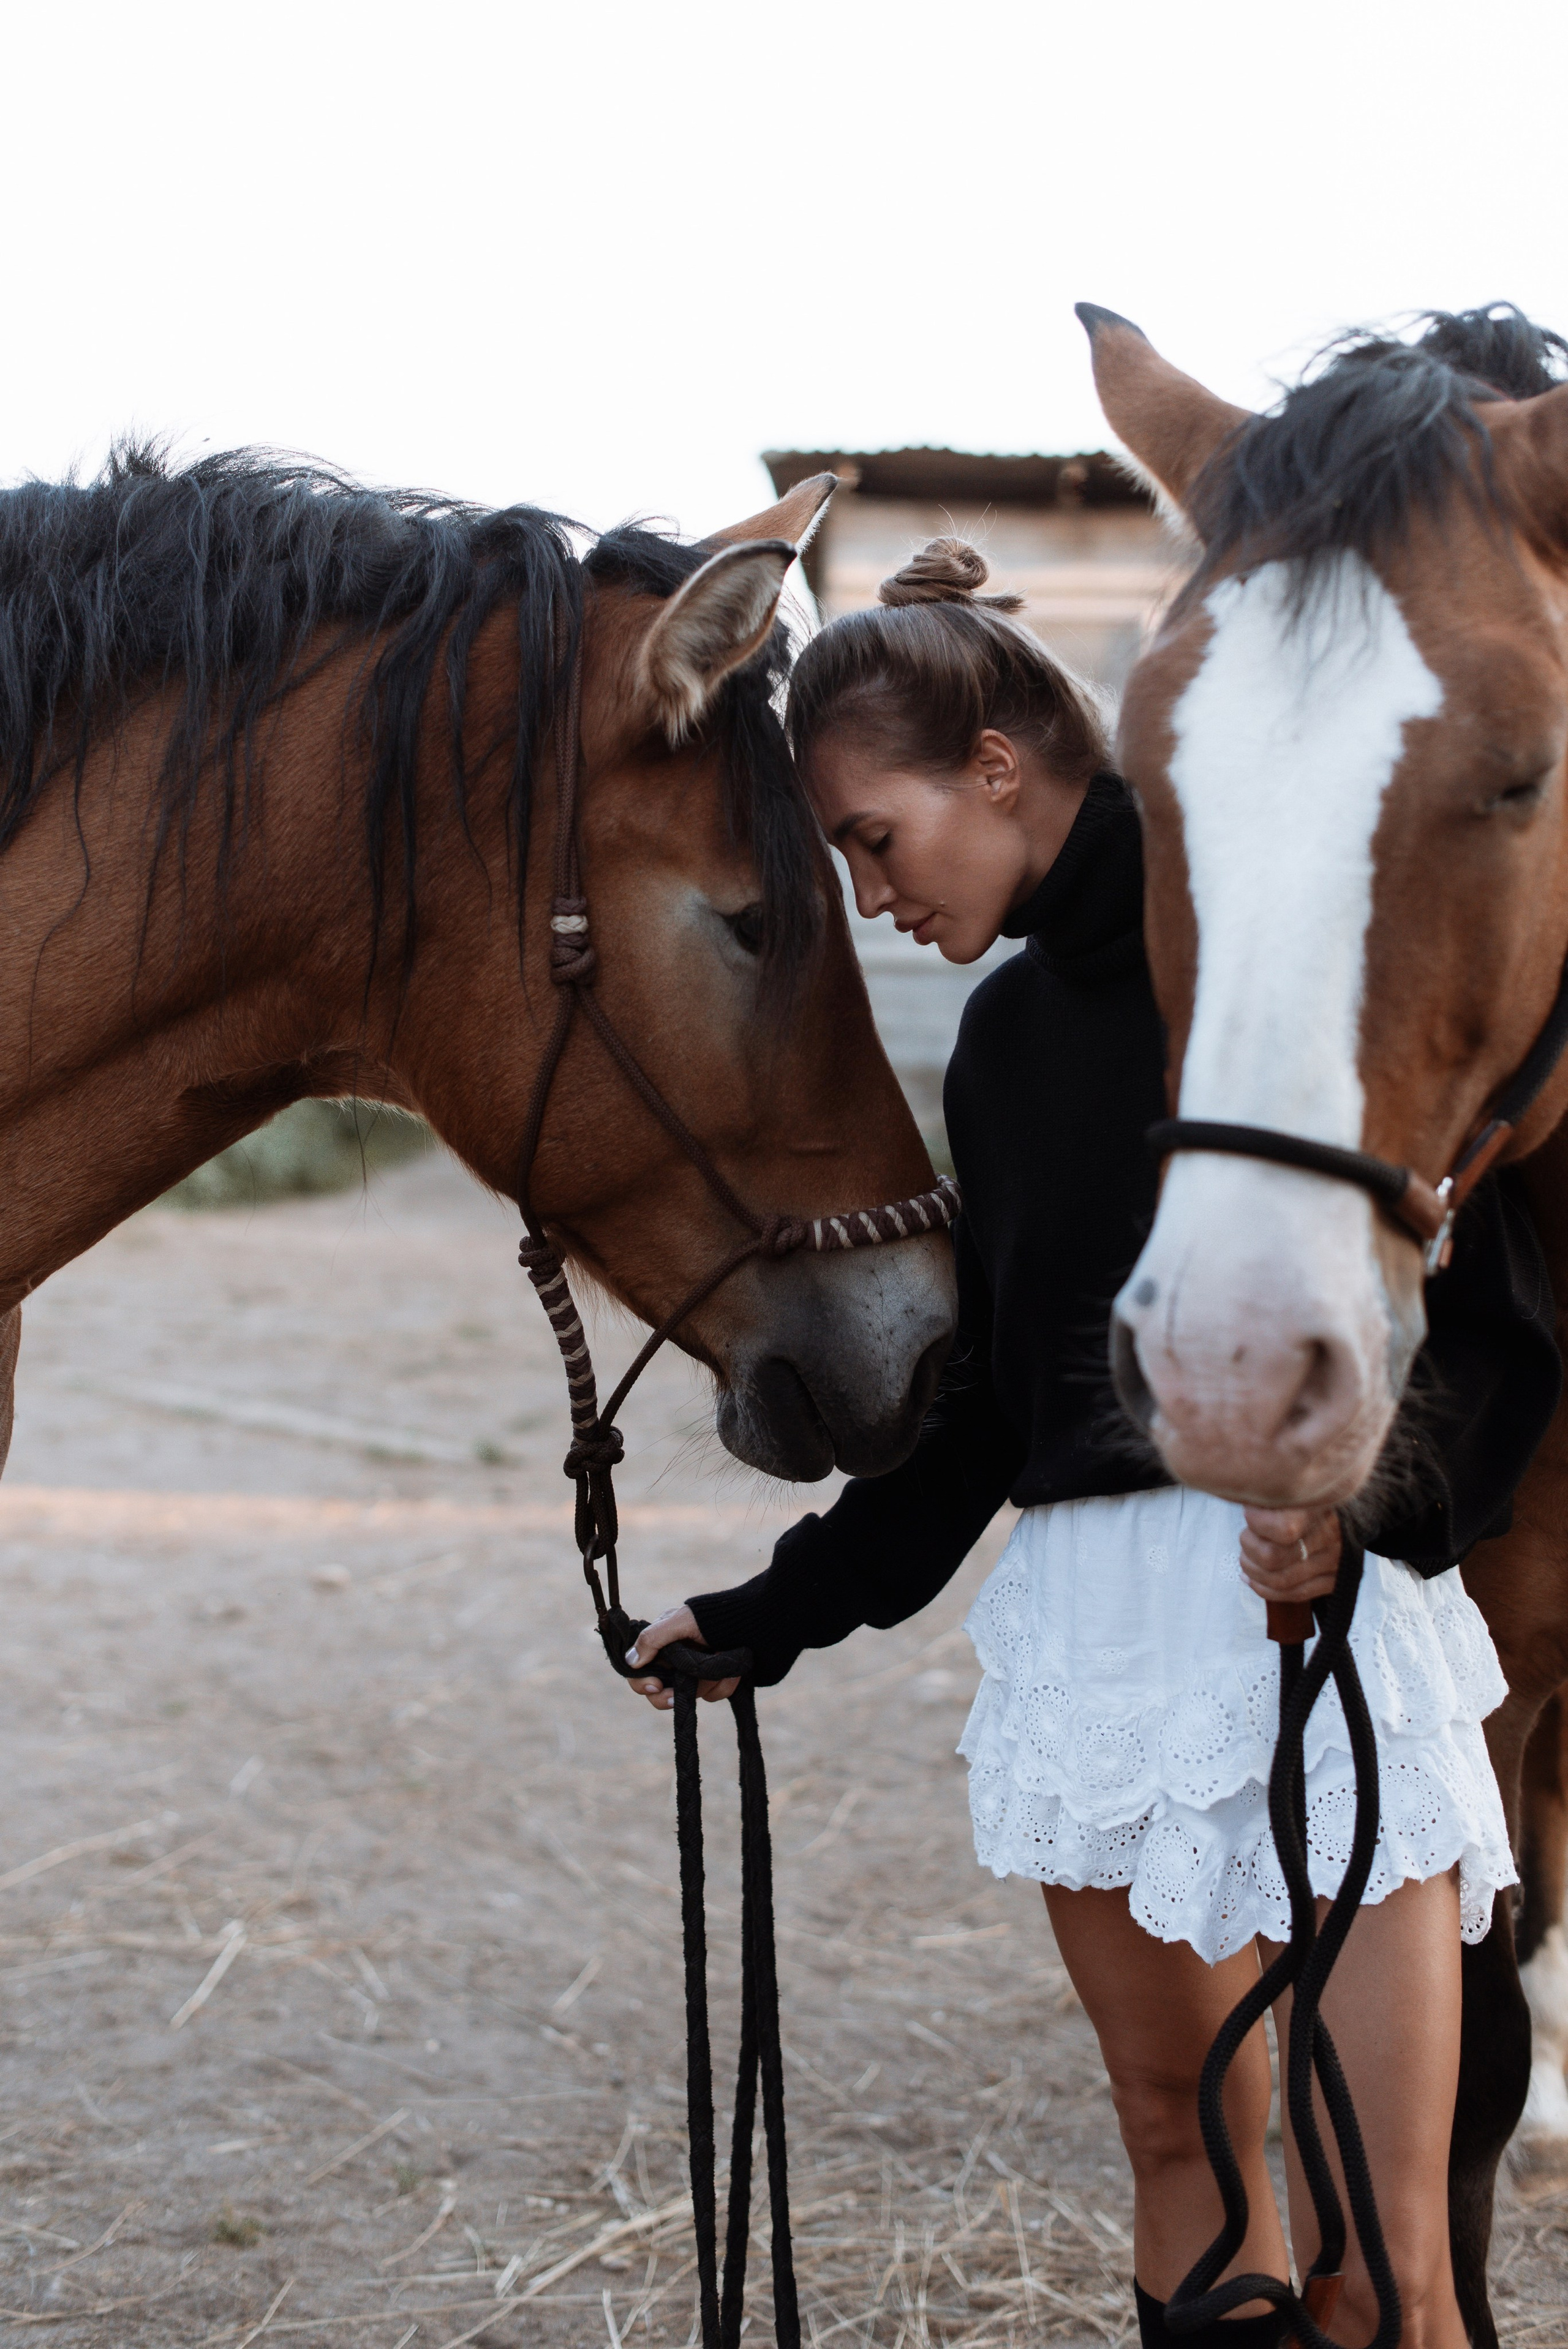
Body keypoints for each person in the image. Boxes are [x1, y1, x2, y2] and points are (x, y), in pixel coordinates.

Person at [624, 539, 1561, 2349]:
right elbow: (994, 1398)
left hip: (1324, 1606)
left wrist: (1365, 1510)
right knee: (1175, 2140)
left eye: (875, 839)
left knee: (1385, 2249)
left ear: (995, 768)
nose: (870, 894)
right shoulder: (997, 1041)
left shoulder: (1296, 954)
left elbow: (1492, 1308)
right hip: (1099, 1637)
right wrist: (776, 1608)